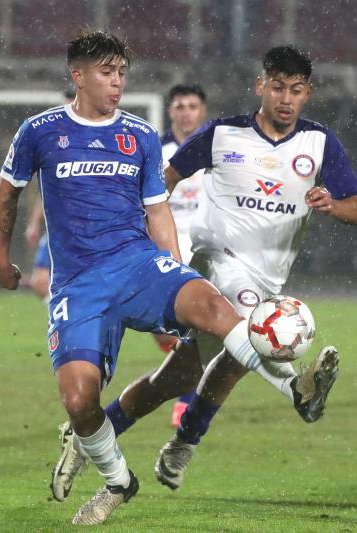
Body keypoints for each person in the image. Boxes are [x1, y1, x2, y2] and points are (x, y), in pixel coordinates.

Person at [50, 45, 357, 496]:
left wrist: (334, 205)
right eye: (276, 87)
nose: (285, 98)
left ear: (307, 94)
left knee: (181, 377)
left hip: (267, 280)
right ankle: (299, 390)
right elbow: (165, 178)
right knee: (253, 331)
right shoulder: (223, 134)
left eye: (295, 90)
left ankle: (118, 438)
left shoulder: (319, 144)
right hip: (215, 265)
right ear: (261, 86)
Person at [159, 84, 208, 427]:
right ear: (170, 111)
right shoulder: (155, 149)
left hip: (206, 247)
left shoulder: (217, 147)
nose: (187, 112)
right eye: (180, 106)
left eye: (193, 106)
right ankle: (189, 375)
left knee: (194, 323)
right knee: (163, 328)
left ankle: (188, 395)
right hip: (164, 246)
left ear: (201, 110)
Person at [24, 89, 77, 302]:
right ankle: (64, 318)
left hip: (92, 228)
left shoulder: (102, 140)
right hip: (59, 228)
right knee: (39, 281)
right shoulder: (56, 143)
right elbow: (46, 189)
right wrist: (35, 222)